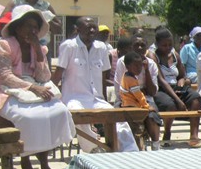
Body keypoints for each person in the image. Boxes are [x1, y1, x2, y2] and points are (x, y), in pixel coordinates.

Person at [0, 5, 74, 169]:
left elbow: (44, 76)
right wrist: (32, 87)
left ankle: (45, 164)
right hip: (6, 91)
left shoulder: (39, 47)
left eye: (35, 27)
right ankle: (26, 161)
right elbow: (4, 76)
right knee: (28, 118)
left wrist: (37, 49)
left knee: (58, 111)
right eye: (28, 25)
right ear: (17, 26)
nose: (32, 30)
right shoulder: (4, 44)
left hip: (33, 88)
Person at [53, 16, 138, 153]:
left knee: (119, 120)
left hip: (96, 99)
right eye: (88, 27)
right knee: (81, 116)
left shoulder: (102, 48)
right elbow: (58, 73)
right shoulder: (69, 46)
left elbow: (104, 76)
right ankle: (93, 149)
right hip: (73, 98)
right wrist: (53, 97)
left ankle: (131, 152)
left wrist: (104, 99)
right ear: (78, 29)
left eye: (94, 27)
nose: (92, 30)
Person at [147, 28, 201, 146]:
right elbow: (161, 80)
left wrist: (182, 81)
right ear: (157, 44)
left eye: (170, 44)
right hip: (161, 88)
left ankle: (194, 135)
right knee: (170, 104)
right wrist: (178, 100)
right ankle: (167, 132)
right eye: (164, 45)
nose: (167, 48)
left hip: (176, 87)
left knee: (196, 98)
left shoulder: (175, 55)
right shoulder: (152, 56)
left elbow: (182, 75)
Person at [119, 51, 161, 149]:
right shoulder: (131, 80)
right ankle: (141, 147)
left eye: (140, 66)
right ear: (128, 66)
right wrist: (147, 106)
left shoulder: (127, 76)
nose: (139, 69)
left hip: (129, 103)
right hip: (132, 105)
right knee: (139, 127)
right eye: (135, 66)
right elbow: (139, 96)